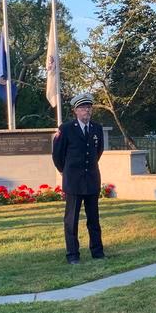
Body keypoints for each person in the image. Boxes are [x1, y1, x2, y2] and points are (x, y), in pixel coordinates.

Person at [52, 92, 106, 265]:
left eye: (89, 107)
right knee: (71, 221)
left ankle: (97, 252)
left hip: (91, 179)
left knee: (94, 220)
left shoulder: (96, 128)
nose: (86, 111)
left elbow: (98, 152)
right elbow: (57, 155)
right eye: (83, 108)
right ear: (75, 111)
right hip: (73, 181)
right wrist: (66, 171)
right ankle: (73, 255)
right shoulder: (66, 129)